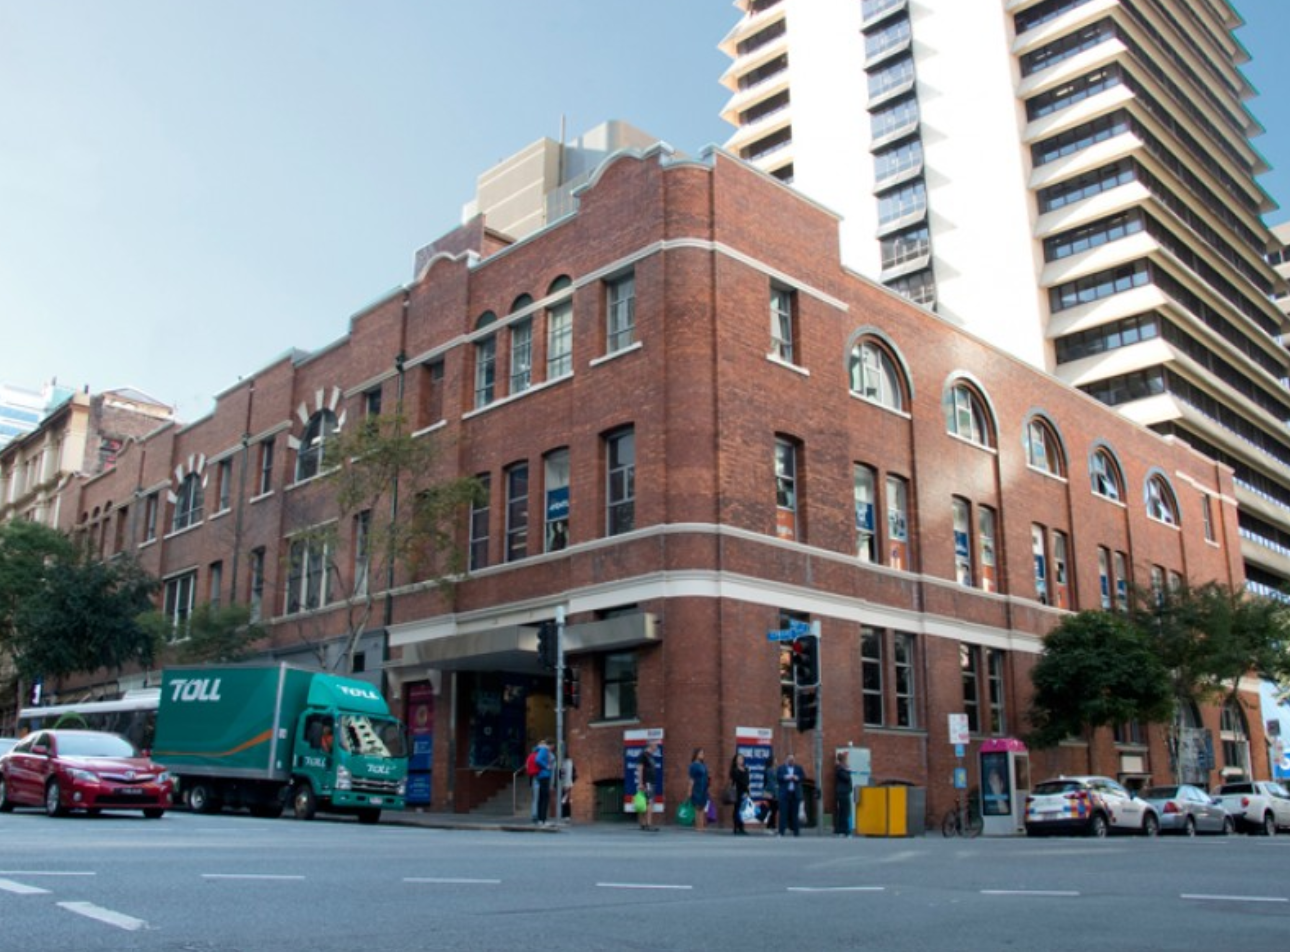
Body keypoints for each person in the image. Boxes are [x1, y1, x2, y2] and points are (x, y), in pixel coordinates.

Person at [776, 753, 805, 837]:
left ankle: (796, 832)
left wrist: (797, 778)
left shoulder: (798, 768)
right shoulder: (781, 768)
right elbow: (778, 777)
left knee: (795, 813)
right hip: (785, 793)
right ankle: (781, 832)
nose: (791, 761)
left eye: (793, 760)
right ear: (786, 760)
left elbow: (803, 777)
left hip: (795, 793)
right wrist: (786, 777)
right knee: (783, 813)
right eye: (790, 760)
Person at [637, 739, 659, 832]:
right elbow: (640, 769)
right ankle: (648, 824)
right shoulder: (643, 755)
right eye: (655, 745)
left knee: (646, 802)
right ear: (650, 745)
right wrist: (640, 783)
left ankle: (644, 824)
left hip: (651, 782)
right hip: (647, 782)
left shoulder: (651, 756)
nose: (657, 747)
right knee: (649, 802)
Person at [687, 747, 710, 831]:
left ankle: (702, 825)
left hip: (704, 788)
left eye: (703, 753)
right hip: (697, 788)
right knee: (697, 807)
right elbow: (691, 779)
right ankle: (698, 826)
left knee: (702, 806)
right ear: (696, 754)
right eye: (700, 753)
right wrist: (689, 791)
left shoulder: (703, 765)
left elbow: (707, 776)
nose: (702, 755)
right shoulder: (693, 765)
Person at [729, 753, 751, 836]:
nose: (740, 760)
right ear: (736, 760)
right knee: (737, 809)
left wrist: (748, 791)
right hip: (737, 791)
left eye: (742, 759)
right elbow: (736, 780)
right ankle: (736, 827)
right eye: (739, 759)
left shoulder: (746, 769)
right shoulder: (734, 770)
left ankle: (741, 827)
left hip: (744, 791)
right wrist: (738, 770)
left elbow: (747, 780)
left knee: (743, 810)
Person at [533, 738, 554, 826]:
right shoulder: (544, 750)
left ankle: (540, 819)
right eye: (553, 746)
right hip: (544, 776)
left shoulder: (542, 750)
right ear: (550, 745)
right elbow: (538, 760)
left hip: (542, 776)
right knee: (544, 798)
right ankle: (543, 819)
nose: (553, 748)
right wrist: (546, 766)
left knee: (542, 798)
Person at [833, 750, 854, 837]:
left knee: (843, 812)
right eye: (846, 760)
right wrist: (848, 770)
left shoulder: (841, 768)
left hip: (844, 792)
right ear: (843, 760)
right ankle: (845, 830)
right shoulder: (840, 769)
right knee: (845, 812)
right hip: (843, 792)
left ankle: (840, 830)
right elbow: (846, 778)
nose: (847, 762)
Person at [762, 754, 779, 835]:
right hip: (770, 793)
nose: (777, 761)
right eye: (775, 760)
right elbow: (771, 783)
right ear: (772, 761)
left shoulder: (774, 770)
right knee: (772, 810)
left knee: (774, 810)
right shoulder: (769, 770)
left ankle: (773, 826)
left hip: (773, 792)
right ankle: (769, 827)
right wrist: (775, 792)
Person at [560, 753, 575, 820]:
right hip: (569, 783)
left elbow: (562, 774)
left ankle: (565, 815)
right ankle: (567, 815)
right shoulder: (571, 762)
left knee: (564, 799)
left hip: (565, 783)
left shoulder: (563, 763)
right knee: (567, 799)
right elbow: (573, 773)